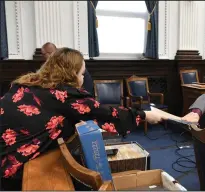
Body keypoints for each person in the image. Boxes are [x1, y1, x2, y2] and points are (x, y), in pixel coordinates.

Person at [0, 47, 163, 190]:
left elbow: (49, 117)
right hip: (11, 167)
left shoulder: (28, 83)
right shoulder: (63, 94)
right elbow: (107, 113)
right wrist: (145, 115)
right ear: (71, 74)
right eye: (82, 74)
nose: (84, 78)